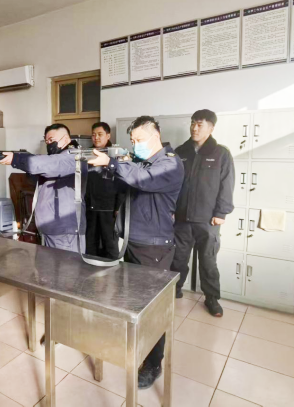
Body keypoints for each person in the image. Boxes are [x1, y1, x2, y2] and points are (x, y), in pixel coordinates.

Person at [90, 115, 183, 389]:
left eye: (139, 140)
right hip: (132, 241)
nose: (135, 144)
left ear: (156, 136)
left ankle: (153, 362)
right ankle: (136, 343)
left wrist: (113, 163)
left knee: (153, 307)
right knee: (133, 301)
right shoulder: (140, 161)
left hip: (153, 246)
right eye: (132, 140)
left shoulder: (169, 164)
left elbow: (143, 180)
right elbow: (126, 186)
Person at [171, 109, 234, 317]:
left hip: (208, 220)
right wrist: (171, 209)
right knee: (178, 259)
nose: (194, 128)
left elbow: (227, 185)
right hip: (182, 218)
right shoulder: (181, 152)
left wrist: (221, 213)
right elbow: (173, 184)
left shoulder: (221, 154)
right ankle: (174, 290)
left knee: (208, 261)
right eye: (193, 123)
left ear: (211, 128)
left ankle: (212, 299)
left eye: (200, 124)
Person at [0, 123, 84, 252]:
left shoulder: (74, 157)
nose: (49, 144)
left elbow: (51, 164)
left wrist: (17, 159)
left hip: (65, 232)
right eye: (46, 141)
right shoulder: (55, 158)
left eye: (52, 140)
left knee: (66, 265)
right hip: (49, 230)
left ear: (66, 139)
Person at [85, 122, 121, 259]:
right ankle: (90, 271)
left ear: (108, 136)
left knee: (110, 244)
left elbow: (123, 183)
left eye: (100, 134)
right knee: (90, 244)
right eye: (93, 135)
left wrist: (118, 207)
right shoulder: (87, 154)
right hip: (90, 207)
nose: (96, 138)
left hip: (109, 208)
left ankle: (112, 271)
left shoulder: (116, 154)